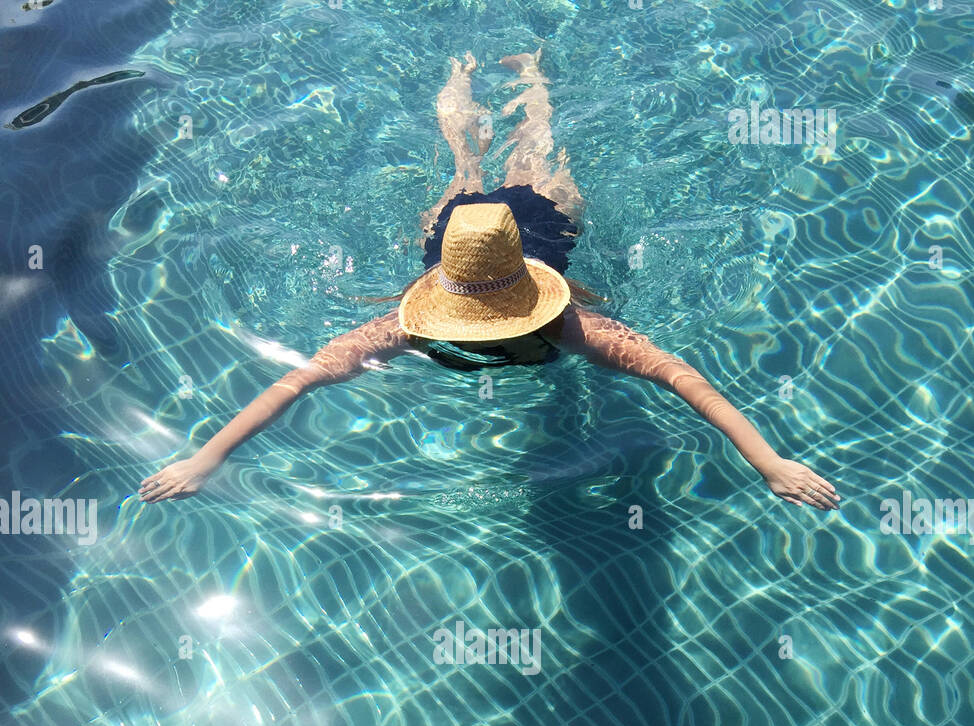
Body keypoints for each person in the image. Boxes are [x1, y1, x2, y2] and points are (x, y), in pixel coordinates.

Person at [140, 50, 839, 512]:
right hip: (473, 242)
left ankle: (502, 73)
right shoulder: (545, 326)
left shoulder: (516, 323)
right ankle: (507, 79)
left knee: (474, 161)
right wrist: (204, 459)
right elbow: (686, 379)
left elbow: (686, 380)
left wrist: (769, 460)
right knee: (515, 153)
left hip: (514, 233)